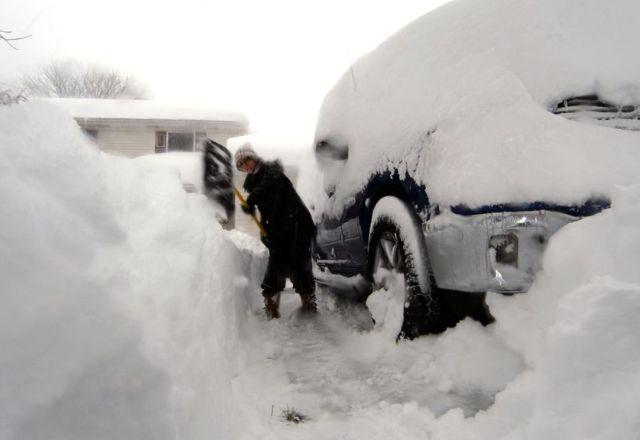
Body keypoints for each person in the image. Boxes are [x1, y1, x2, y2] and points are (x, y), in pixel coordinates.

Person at [235, 143, 317, 319]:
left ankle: (308, 303)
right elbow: (266, 213)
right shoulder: (254, 183)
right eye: (241, 165)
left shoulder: (272, 172)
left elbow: (270, 185)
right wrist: (264, 232)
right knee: (276, 263)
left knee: (299, 262)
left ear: (253, 157)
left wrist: (253, 198)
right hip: (279, 228)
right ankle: (271, 304)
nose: (245, 166)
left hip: (297, 223)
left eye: (246, 160)